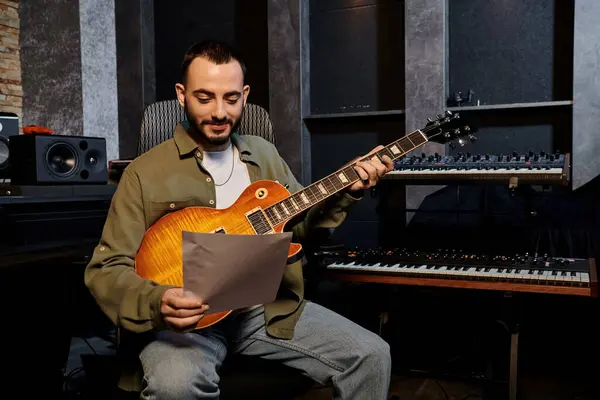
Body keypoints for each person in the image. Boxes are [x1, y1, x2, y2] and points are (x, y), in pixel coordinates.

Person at [84, 40, 394, 400]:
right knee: (175, 386)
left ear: (245, 95)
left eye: (231, 99)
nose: (219, 112)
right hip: (186, 327)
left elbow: (299, 229)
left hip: (265, 311)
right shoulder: (143, 173)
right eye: (205, 98)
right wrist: (158, 300)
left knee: (372, 355)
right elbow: (105, 268)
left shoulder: (265, 156)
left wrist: (348, 189)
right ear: (181, 95)